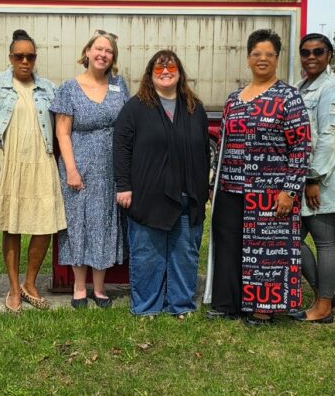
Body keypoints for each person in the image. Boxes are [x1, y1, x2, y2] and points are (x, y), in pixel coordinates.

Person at [206, 29, 310, 326]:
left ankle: (263, 307)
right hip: (230, 186)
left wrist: (290, 191)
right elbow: (223, 144)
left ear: (277, 59)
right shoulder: (233, 99)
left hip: (270, 190)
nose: (262, 59)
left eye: (269, 55)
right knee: (229, 245)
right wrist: (215, 184)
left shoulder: (289, 98)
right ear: (248, 59)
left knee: (266, 252)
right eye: (256, 54)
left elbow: (301, 147)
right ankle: (228, 303)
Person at [0, 29, 66, 312]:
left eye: (30, 56)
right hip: (9, 162)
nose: (25, 61)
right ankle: (13, 287)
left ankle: (31, 282)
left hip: (42, 160)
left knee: (44, 225)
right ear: (10, 57)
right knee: (11, 226)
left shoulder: (49, 88)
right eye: (19, 56)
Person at [113, 50, 209, 318]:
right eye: (159, 69)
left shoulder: (194, 107)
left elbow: (204, 151)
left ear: (180, 73)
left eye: (171, 67)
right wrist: (124, 186)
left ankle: (181, 305)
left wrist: (203, 189)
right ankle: (147, 307)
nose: (165, 72)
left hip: (187, 196)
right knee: (147, 256)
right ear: (150, 75)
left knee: (184, 255)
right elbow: (121, 148)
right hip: (147, 196)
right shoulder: (135, 108)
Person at [52, 30, 129, 309]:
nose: (102, 54)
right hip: (79, 165)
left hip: (111, 168)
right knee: (79, 224)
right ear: (87, 52)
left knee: (105, 224)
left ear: (113, 58)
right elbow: (62, 132)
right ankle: (78, 287)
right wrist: (71, 170)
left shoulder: (121, 85)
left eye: (108, 51)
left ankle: (100, 288)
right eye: (98, 49)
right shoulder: (69, 88)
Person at [291, 34, 335, 324]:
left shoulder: (333, 88)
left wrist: (313, 177)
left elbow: (330, 137)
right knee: (291, 239)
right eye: (305, 52)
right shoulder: (302, 87)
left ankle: (324, 305)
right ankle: (322, 293)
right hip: (302, 179)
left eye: (318, 51)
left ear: (329, 54)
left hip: (321, 181)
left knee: (325, 242)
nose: (311, 57)